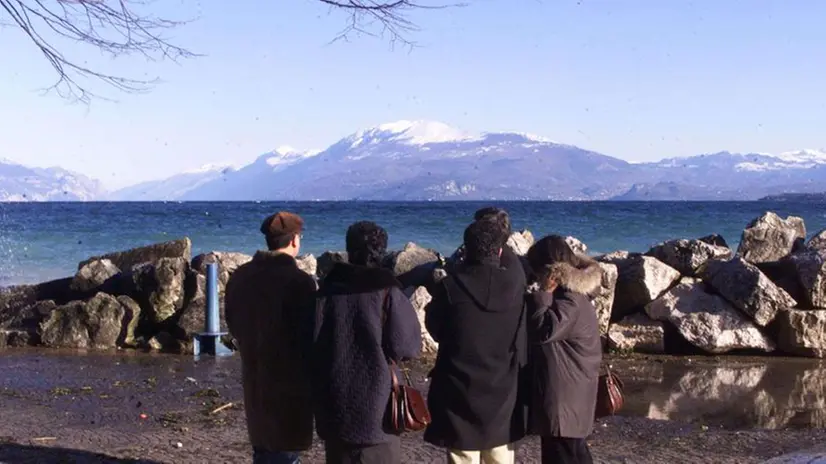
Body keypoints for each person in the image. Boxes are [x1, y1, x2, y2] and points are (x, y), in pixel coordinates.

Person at [312, 221, 422, 464]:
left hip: (335, 402)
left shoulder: (326, 292)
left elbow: (313, 343)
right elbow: (407, 347)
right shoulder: (387, 292)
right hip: (378, 406)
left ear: (349, 251)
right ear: (381, 251)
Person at [424, 219, 528, 464]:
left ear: (466, 249)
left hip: (458, 385)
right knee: (501, 454)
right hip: (504, 386)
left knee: (462, 455)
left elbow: (435, 327)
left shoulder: (450, 288)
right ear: (500, 251)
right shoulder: (515, 286)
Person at [224, 211, 317, 464]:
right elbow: (310, 335)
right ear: (295, 240)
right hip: (290, 382)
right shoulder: (300, 282)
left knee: (264, 447)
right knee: (285, 451)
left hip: (254, 374)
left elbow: (232, 323)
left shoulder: (241, 277)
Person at [525, 235, 603, 464]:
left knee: (563, 454)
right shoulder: (577, 296)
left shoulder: (569, 301)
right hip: (572, 396)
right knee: (574, 453)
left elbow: (543, 330)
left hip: (564, 400)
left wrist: (544, 294)